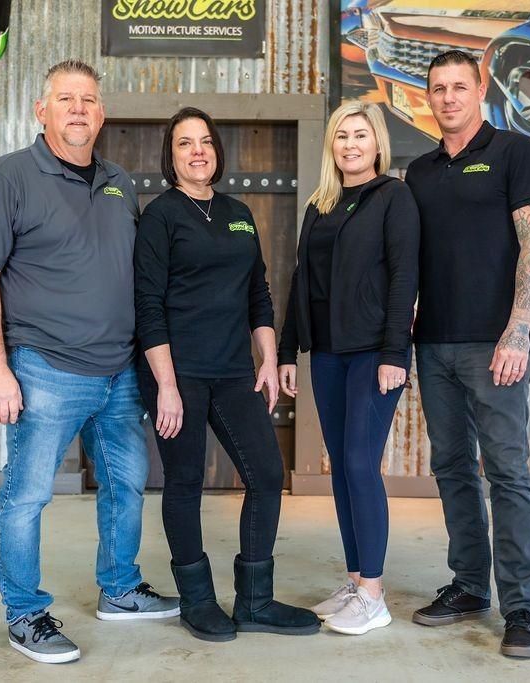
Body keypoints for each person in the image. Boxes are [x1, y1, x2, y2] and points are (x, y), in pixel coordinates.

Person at [0, 58, 178, 665]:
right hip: (44, 367)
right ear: (42, 110)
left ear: (101, 114)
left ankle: (120, 589)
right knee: (28, 495)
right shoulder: (8, 178)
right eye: (65, 99)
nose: (78, 109)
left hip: (119, 371)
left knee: (127, 485)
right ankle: (26, 613)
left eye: (88, 100)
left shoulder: (118, 181)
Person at [134, 106, 321, 643]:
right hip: (178, 373)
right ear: (169, 158)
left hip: (233, 370)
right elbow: (148, 306)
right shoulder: (160, 216)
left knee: (265, 475)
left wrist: (266, 359)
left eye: (205, 142)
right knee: (186, 481)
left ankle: (255, 601)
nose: (198, 151)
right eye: (185, 143)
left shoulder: (239, 212)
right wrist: (166, 387)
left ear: (217, 151)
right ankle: (197, 599)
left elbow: (257, 295)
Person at [405, 50, 530, 659]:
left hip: (495, 346)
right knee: (452, 470)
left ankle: (520, 607)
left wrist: (517, 330)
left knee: (508, 474)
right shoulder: (419, 171)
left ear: (479, 88)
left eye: (458, 87)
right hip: (433, 345)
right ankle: (469, 585)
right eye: (437, 89)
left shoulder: (514, 153)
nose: (447, 98)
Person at [277, 101, 420, 635]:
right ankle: (357, 577)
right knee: (342, 464)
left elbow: (405, 277)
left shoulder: (394, 197)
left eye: (360, 135)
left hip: (372, 355)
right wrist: (290, 350)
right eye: (341, 136)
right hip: (329, 354)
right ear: (332, 146)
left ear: (377, 143)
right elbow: (300, 282)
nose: (350, 144)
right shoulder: (320, 205)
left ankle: (375, 595)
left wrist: (393, 353)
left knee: (360, 462)